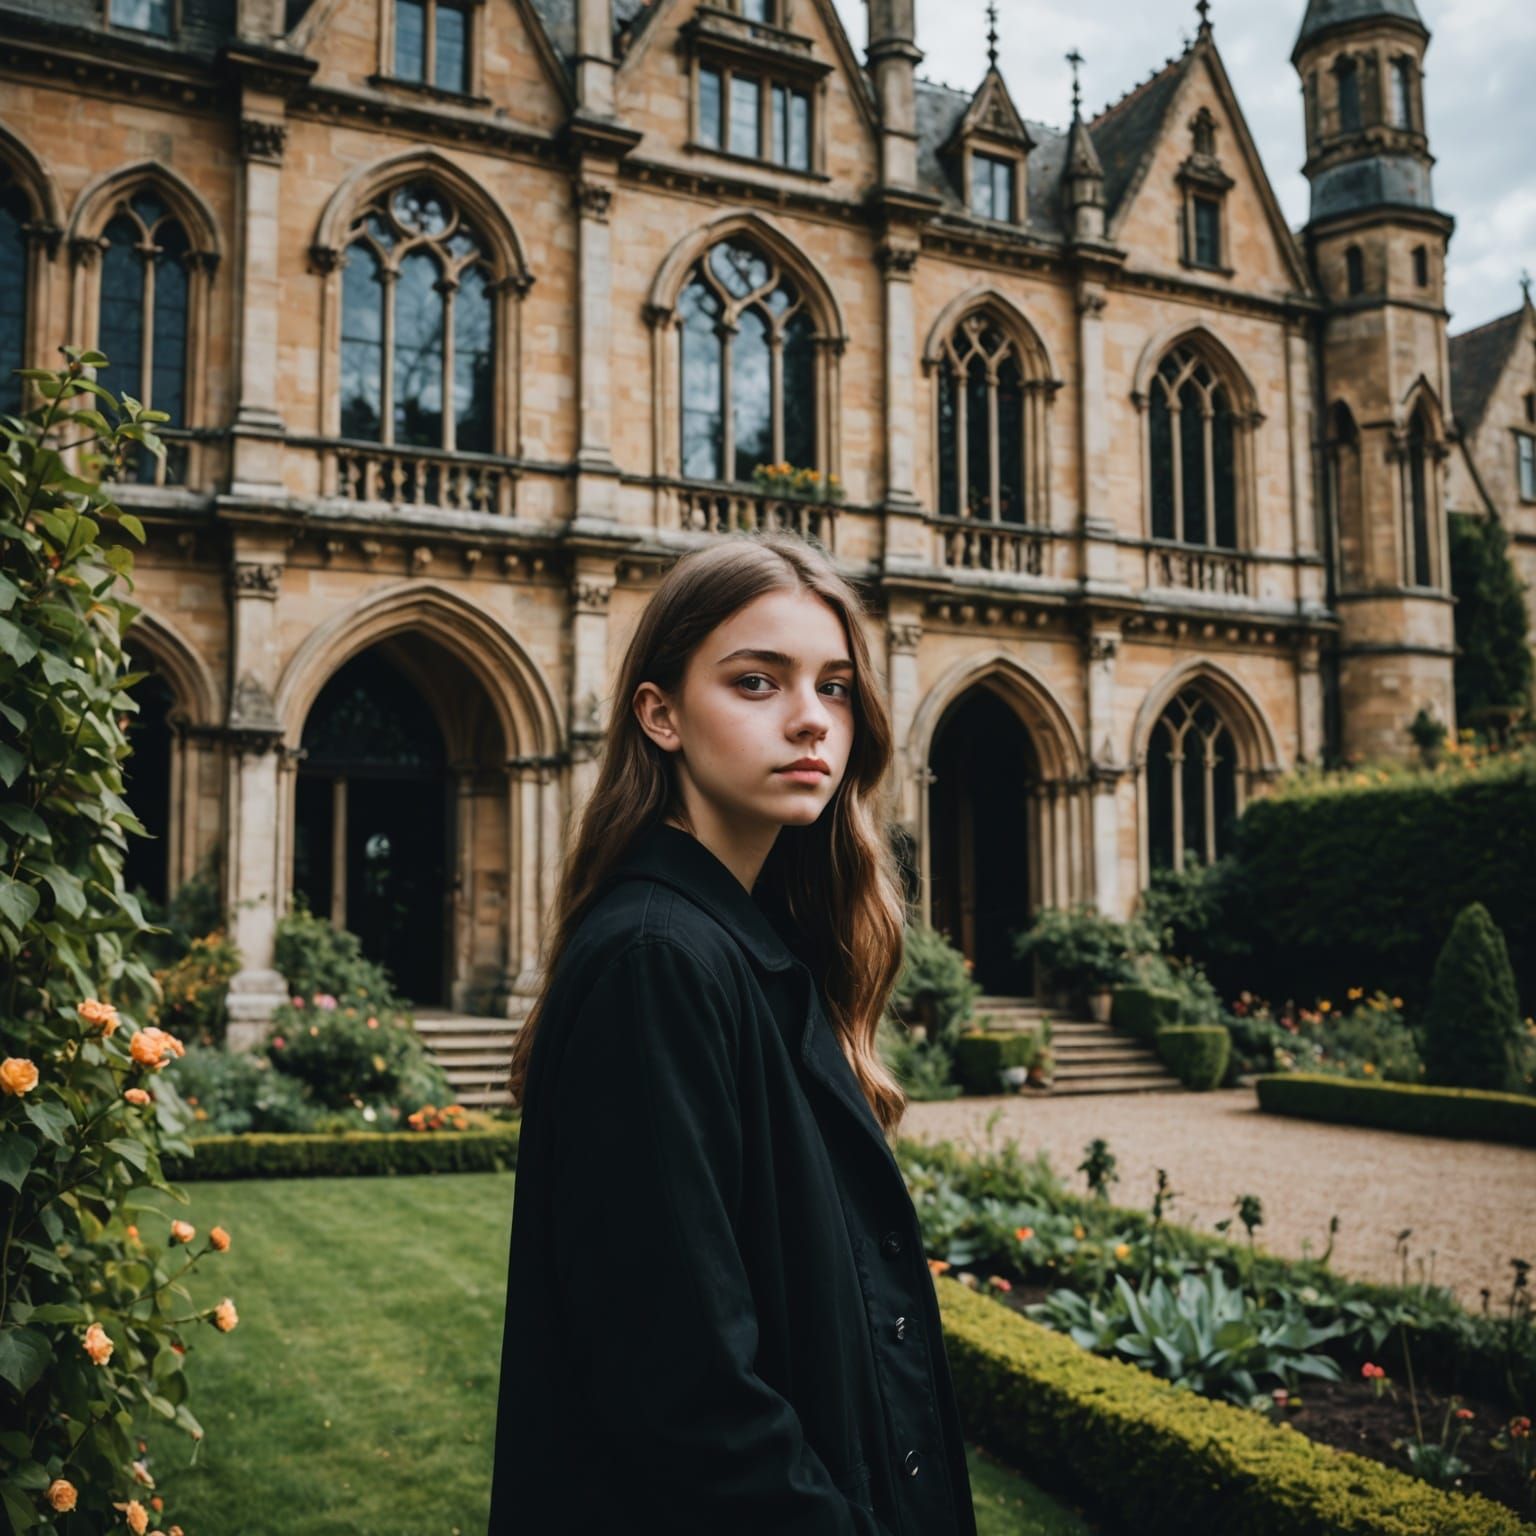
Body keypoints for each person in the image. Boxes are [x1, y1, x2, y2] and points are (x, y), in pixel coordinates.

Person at [487, 531, 978, 1535]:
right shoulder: (656, 962)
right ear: (659, 715)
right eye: (758, 682)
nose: (811, 720)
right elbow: (687, 1393)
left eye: (837, 687)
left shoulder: (746, 947)